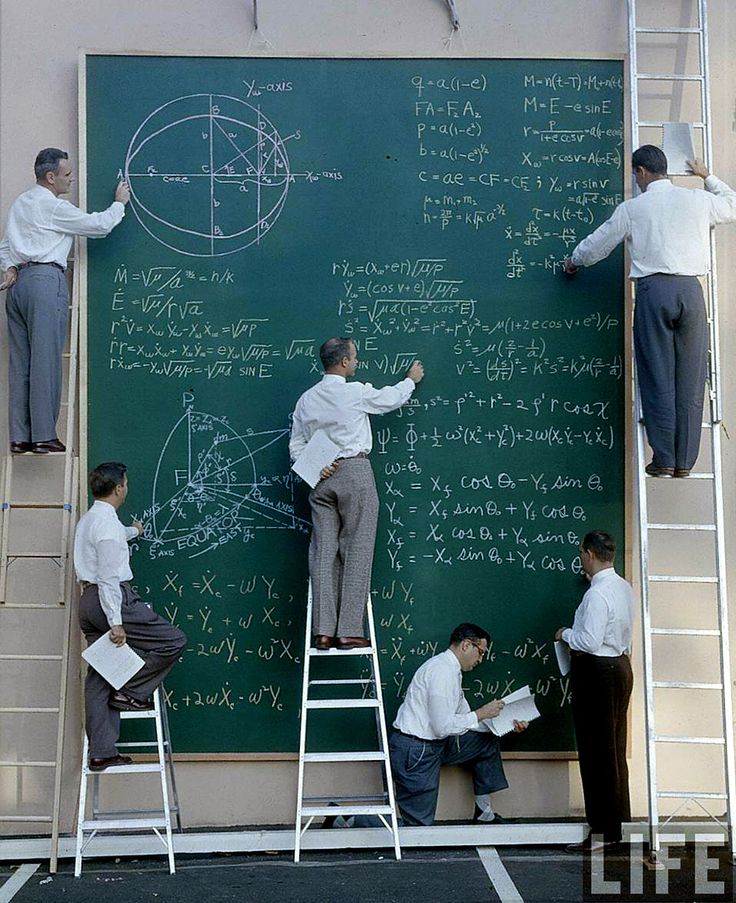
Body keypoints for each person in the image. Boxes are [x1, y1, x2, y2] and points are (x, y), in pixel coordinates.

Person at [563, 146, 736, 478]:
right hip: (690, 291)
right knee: (691, 377)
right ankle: (685, 461)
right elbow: (731, 204)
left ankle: (665, 457)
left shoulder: (633, 208)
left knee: (657, 376)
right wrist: (707, 176)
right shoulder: (698, 201)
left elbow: (599, 244)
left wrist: (573, 261)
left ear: (641, 171)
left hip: (654, 291)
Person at [289, 337, 424, 649]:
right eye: (356, 357)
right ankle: (348, 629)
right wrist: (410, 380)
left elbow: (296, 444)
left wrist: (312, 464)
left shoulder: (306, 399)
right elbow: (389, 399)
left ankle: (322, 631)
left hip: (320, 476)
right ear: (345, 362)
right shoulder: (354, 392)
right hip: (354, 472)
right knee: (357, 549)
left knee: (323, 552)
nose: (358, 362)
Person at [0, 148, 129, 455]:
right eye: (67, 174)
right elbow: (98, 226)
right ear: (50, 177)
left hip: (16, 286)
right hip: (45, 282)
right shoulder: (54, 206)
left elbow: (5, 245)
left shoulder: (21, 203)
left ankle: (19, 437)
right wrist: (119, 204)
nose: (70, 179)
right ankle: (43, 435)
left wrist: (9, 267)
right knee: (45, 360)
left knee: (21, 364)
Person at [74, 462, 187, 771]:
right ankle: (132, 691)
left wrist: (134, 531)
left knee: (99, 676)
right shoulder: (108, 527)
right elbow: (110, 576)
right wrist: (117, 622)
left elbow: (110, 542)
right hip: (111, 600)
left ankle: (101, 751)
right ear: (119, 488)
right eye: (126, 483)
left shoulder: (90, 520)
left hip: (87, 601)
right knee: (173, 641)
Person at [389, 623, 527, 826]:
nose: (481, 659)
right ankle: (348, 819)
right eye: (480, 652)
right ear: (466, 645)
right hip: (416, 751)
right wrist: (480, 713)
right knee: (417, 829)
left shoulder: (453, 671)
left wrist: (506, 722)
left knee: (484, 740)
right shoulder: (442, 672)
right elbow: (443, 727)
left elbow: (468, 719)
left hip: (435, 745)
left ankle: (484, 813)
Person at [555, 530, 635, 852]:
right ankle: (618, 827)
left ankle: (601, 832)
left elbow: (587, 641)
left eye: (581, 554)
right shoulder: (624, 587)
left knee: (595, 753)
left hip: (597, 672)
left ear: (588, 554)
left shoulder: (595, 595)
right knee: (614, 749)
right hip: (620, 666)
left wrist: (564, 633)